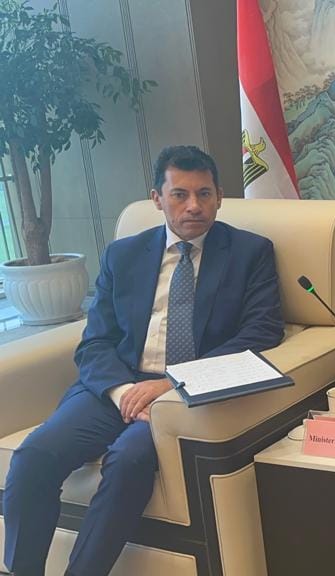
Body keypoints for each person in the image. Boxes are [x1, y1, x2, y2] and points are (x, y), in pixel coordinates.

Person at [3, 146, 284, 576]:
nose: (194, 206)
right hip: (115, 388)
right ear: (157, 198)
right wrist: (123, 393)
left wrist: (172, 383)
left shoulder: (250, 252)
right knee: (33, 457)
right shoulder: (123, 255)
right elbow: (96, 341)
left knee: (129, 461)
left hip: (180, 395)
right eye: (180, 194)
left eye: (204, 194)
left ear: (219, 197)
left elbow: (261, 332)